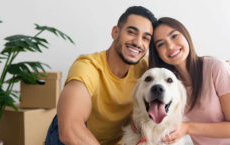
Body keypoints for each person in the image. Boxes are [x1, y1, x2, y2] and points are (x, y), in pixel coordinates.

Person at [44, 6, 156, 145]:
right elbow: (70, 130)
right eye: (131, 32)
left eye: (146, 38)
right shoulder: (88, 67)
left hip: (115, 141)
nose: (138, 42)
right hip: (71, 139)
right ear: (115, 32)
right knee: (66, 121)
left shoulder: (146, 72)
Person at [149, 17, 230, 145]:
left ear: (185, 35)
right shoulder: (169, 85)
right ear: (157, 53)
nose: (170, 46)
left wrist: (187, 127)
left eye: (174, 36)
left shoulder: (216, 68)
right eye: (161, 44)